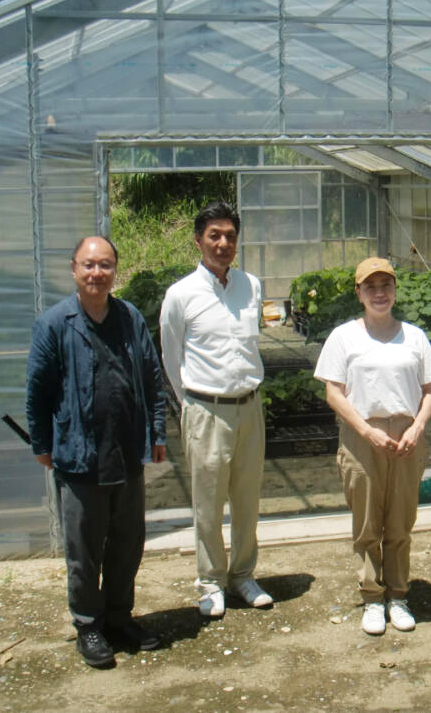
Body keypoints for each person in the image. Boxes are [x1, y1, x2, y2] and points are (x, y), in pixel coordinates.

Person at [26, 236, 166, 668]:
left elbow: (151, 378)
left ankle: (120, 617)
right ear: (73, 270)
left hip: (125, 452)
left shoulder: (129, 319)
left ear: (114, 271)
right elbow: (37, 389)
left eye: (105, 265)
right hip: (78, 455)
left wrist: (157, 433)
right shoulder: (55, 323)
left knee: (127, 543)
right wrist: (42, 444)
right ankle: (88, 625)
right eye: (88, 265)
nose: (96, 273)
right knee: (84, 549)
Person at [314, 257, 431, 636]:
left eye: (385, 285)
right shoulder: (344, 337)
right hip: (362, 436)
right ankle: (373, 597)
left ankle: (399, 594)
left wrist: (417, 428)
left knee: (401, 520)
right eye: (370, 287)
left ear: (394, 289)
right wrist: (367, 430)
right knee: (367, 522)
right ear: (358, 293)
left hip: (406, 437)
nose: (379, 293)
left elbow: (430, 391)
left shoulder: (414, 337)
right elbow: (333, 393)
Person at [160, 201, 273, 617]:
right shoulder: (181, 295)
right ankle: (210, 581)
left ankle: (243, 575)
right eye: (214, 235)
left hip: (249, 406)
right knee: (208, 502)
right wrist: (192, 402)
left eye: (230, 236)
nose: (223, 243)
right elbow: (171, 359)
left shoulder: (251, 286)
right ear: (198, 240)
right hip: (206, 410)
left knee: (247, 498)